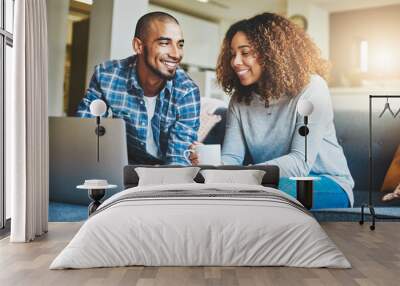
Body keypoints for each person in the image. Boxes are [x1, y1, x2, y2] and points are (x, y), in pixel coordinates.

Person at [191, 12, 355, 207]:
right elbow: (232, 157)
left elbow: (299, 163)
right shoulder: (239, 99)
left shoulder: (312, 88)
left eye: (245, 53)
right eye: (232, 54)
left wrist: (246, 175)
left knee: (263, 194)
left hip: (327, 182)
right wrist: (211, 168)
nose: (235, 62)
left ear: (271, 53)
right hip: (267, 182)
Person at [77, 12, 200, 165]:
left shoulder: (187, 91)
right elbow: (84, 132)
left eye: (180, 45)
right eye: (164, 43)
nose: (176, 54)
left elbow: (178, 159)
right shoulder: (107, 76)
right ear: (139, 46)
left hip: (163, 173)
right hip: (122, 168)